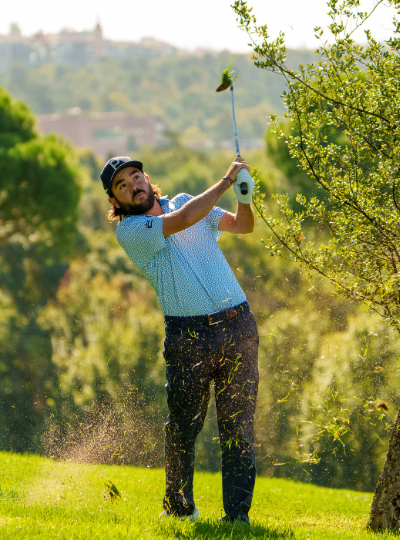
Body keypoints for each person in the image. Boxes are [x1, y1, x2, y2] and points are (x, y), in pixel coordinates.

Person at [100, 155, 259, 524]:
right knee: (184, 426)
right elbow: (184, 220)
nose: (132, 186)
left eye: (135, 177)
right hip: (188, 335)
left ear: (147, 178)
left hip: (238, 325)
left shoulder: (187, 199)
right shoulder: (132, 230)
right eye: (121, 185)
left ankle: (237, 516)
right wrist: (225, 180)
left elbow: (242, 225)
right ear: (115, 202)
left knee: (238, 425)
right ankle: (178, 508)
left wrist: (243, 192)